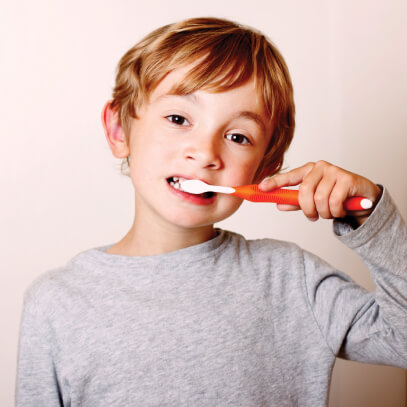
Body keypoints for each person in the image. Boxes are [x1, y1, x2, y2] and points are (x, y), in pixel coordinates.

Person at [16, 17, 407, 406]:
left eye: (238, 137)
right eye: (178, 119)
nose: (205, 153)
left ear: (265, 169)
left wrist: (372, 219)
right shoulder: (57, 302)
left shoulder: (291, 279)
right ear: (119, 129)